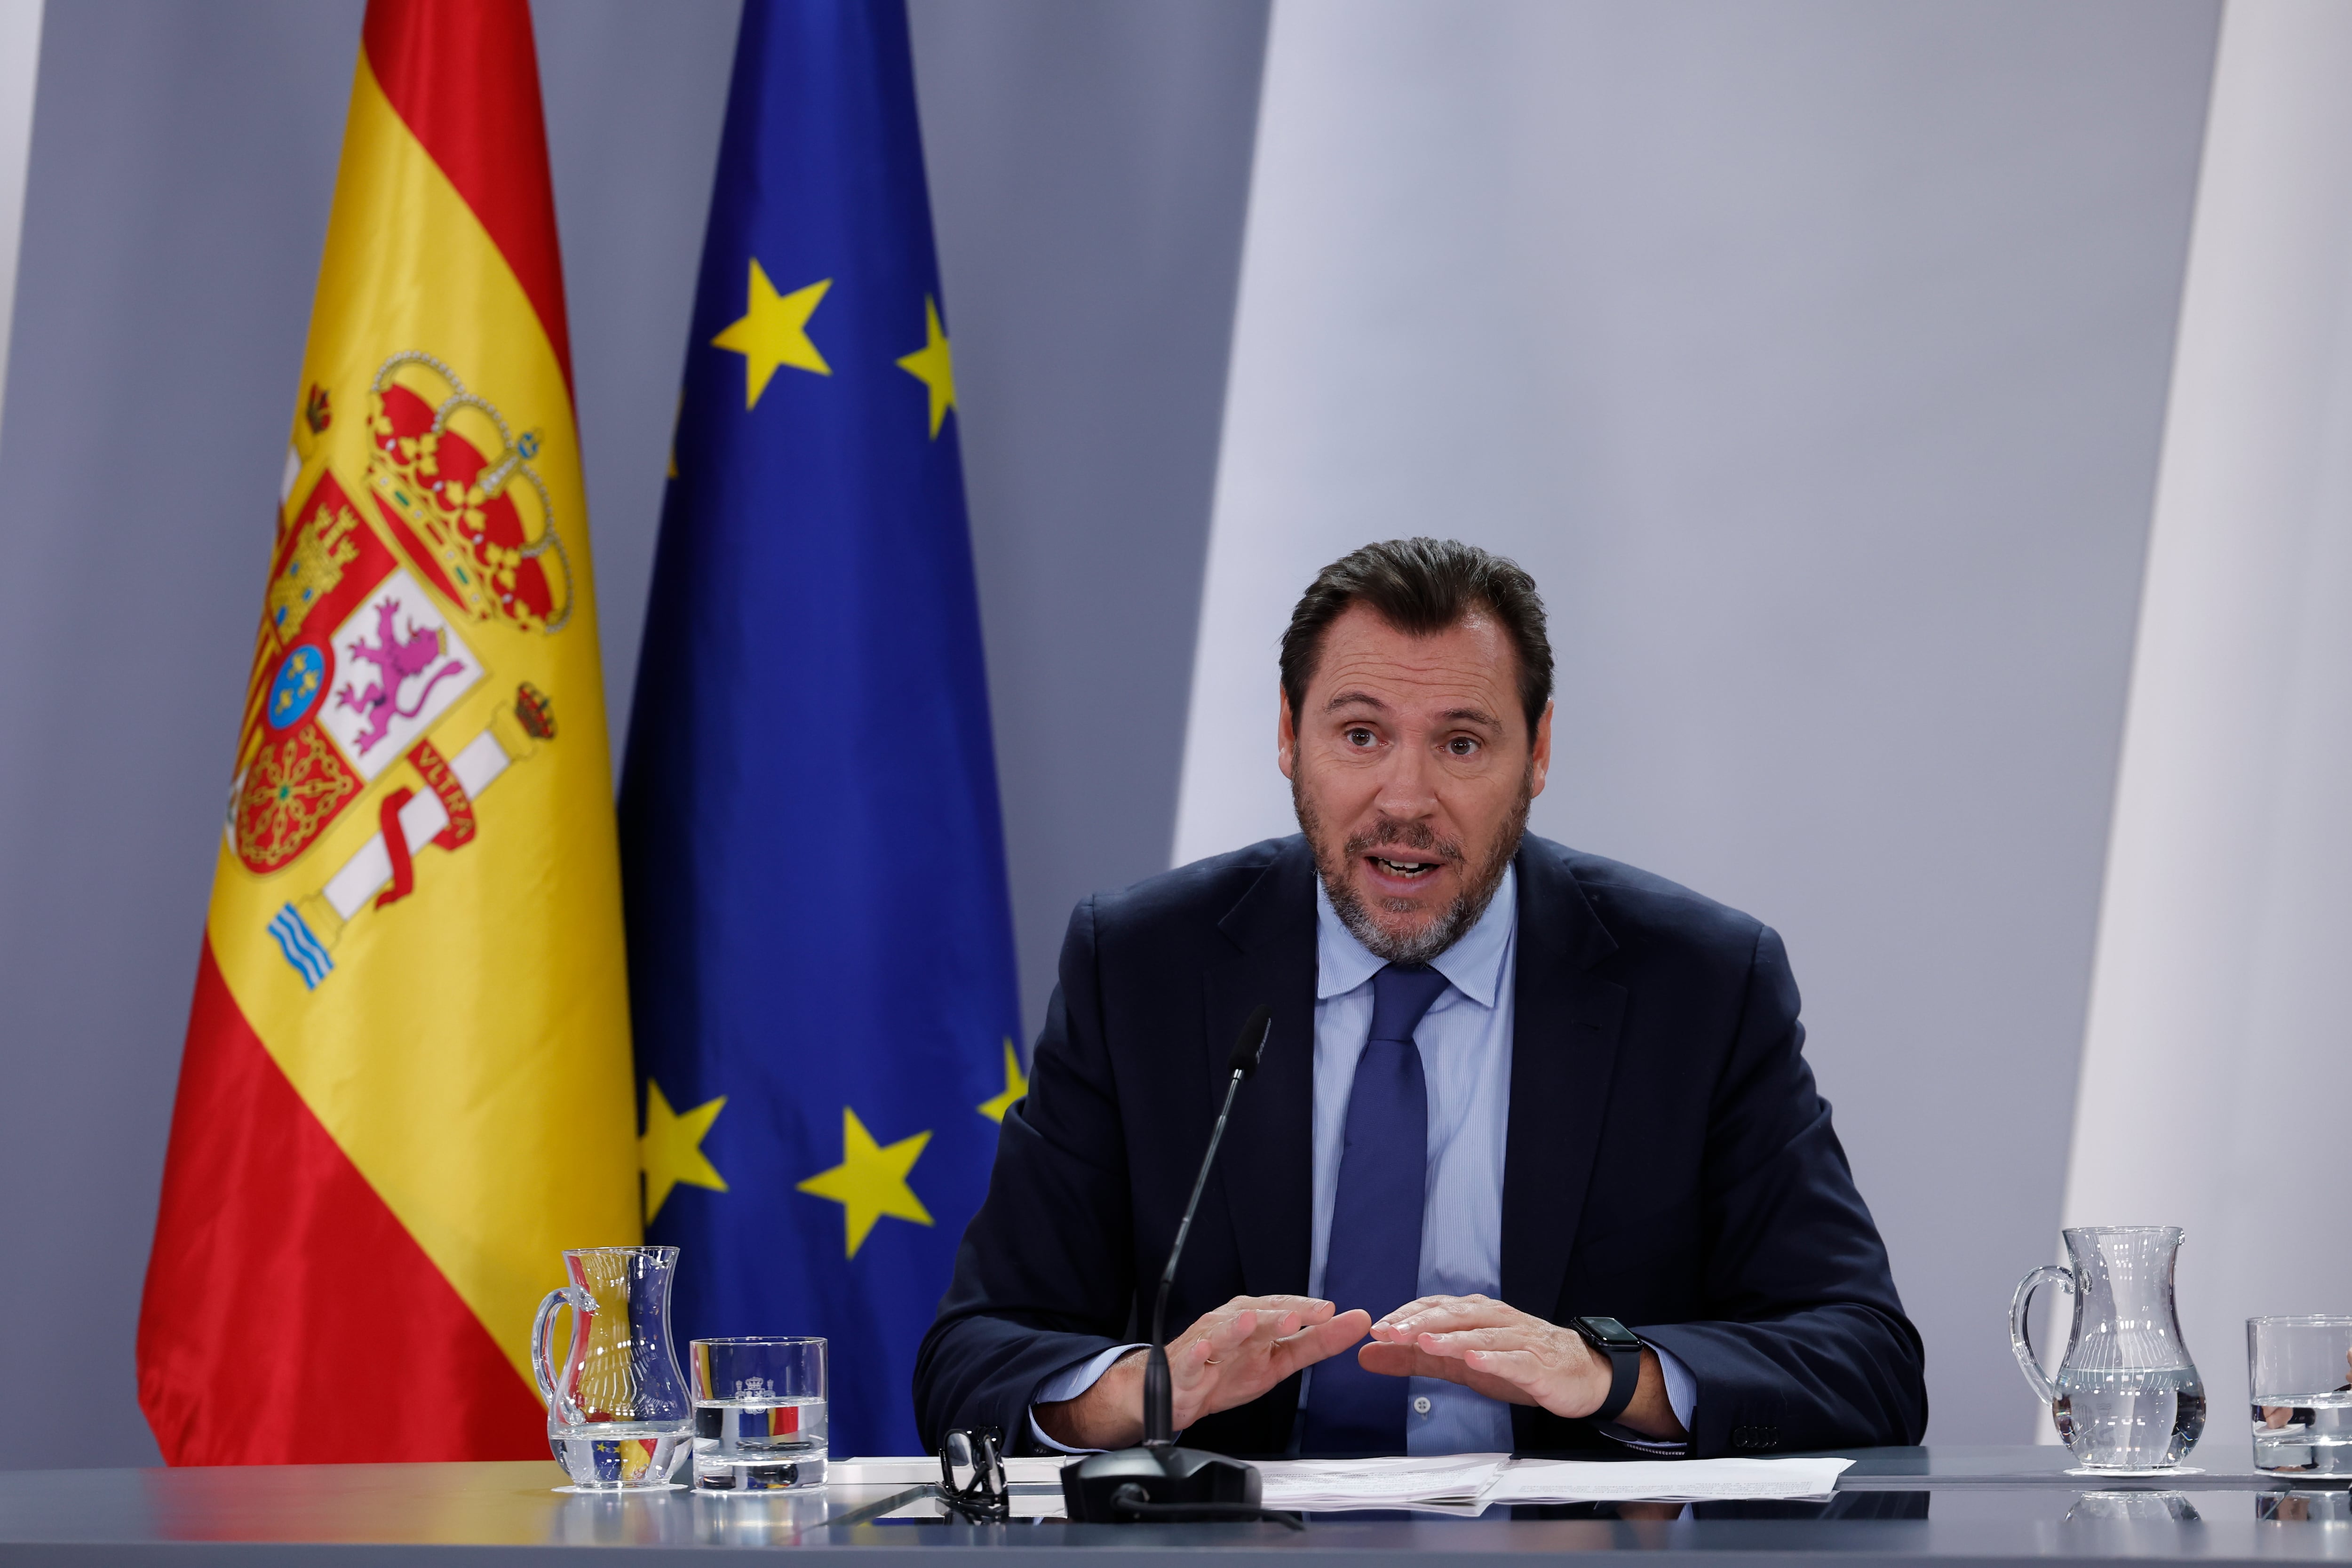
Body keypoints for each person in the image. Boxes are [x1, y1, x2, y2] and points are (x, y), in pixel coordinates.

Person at [914, 538, 1926, 1458]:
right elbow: (976, 1354)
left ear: (1535, 754)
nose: (1404, 798)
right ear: (1287, 735)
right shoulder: (1142, 966)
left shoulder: (1696, 982)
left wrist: (1608, 1369)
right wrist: (1144, 1389)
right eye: (1359, 734)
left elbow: (1863, 1356)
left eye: (1460, 743)